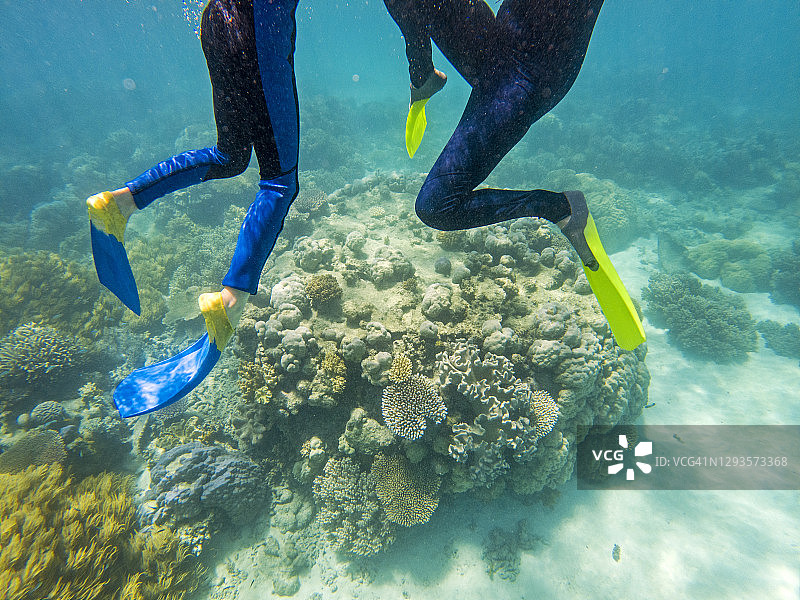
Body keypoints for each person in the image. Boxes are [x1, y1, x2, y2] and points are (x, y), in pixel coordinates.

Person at [384, 0, 645, 350]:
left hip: (529, 74)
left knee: (438, 205)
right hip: (500, 51)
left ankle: (558, 208)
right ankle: (422, 74)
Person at [86, 0, 301, 417]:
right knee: (280, 180)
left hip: (217, 23)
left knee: (229, 156)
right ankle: (231, 300)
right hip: (261, 26)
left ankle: (119, 203)